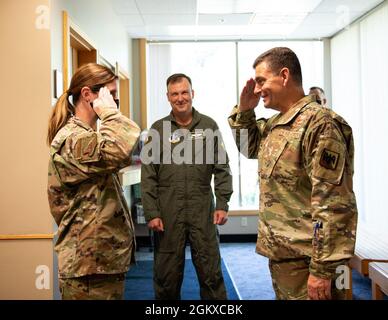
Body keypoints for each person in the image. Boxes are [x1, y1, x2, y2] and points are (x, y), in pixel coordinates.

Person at [228, 47, 357, 300]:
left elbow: (333, 204)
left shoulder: (321, 125)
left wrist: (321, 270)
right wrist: (244, 111)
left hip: (310, 260)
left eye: (261, 81)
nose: (257, 89)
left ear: (284, 75)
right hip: (285, 257)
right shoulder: (278, 123)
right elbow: (248, 147)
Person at [47, 63, 140, 300]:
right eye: (111, 95)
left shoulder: (87, 136)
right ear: (88, 94)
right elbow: (119, 149)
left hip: (98, 262)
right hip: (88, 267)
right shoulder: (72, 139)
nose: (114, 103)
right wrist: (109, 113)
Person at [141, 73, 233, 299]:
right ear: (168, 97)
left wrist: (222, 203)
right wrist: (151, 212)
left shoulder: (209, 126)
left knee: (211, 272)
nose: (180, 98)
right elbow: (148, 175)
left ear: (192, 93)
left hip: (202, 209)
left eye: (184, 92)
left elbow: (222, 167)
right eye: (175, 94)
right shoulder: (157, 129)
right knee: (166, 276)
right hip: (168, 212)